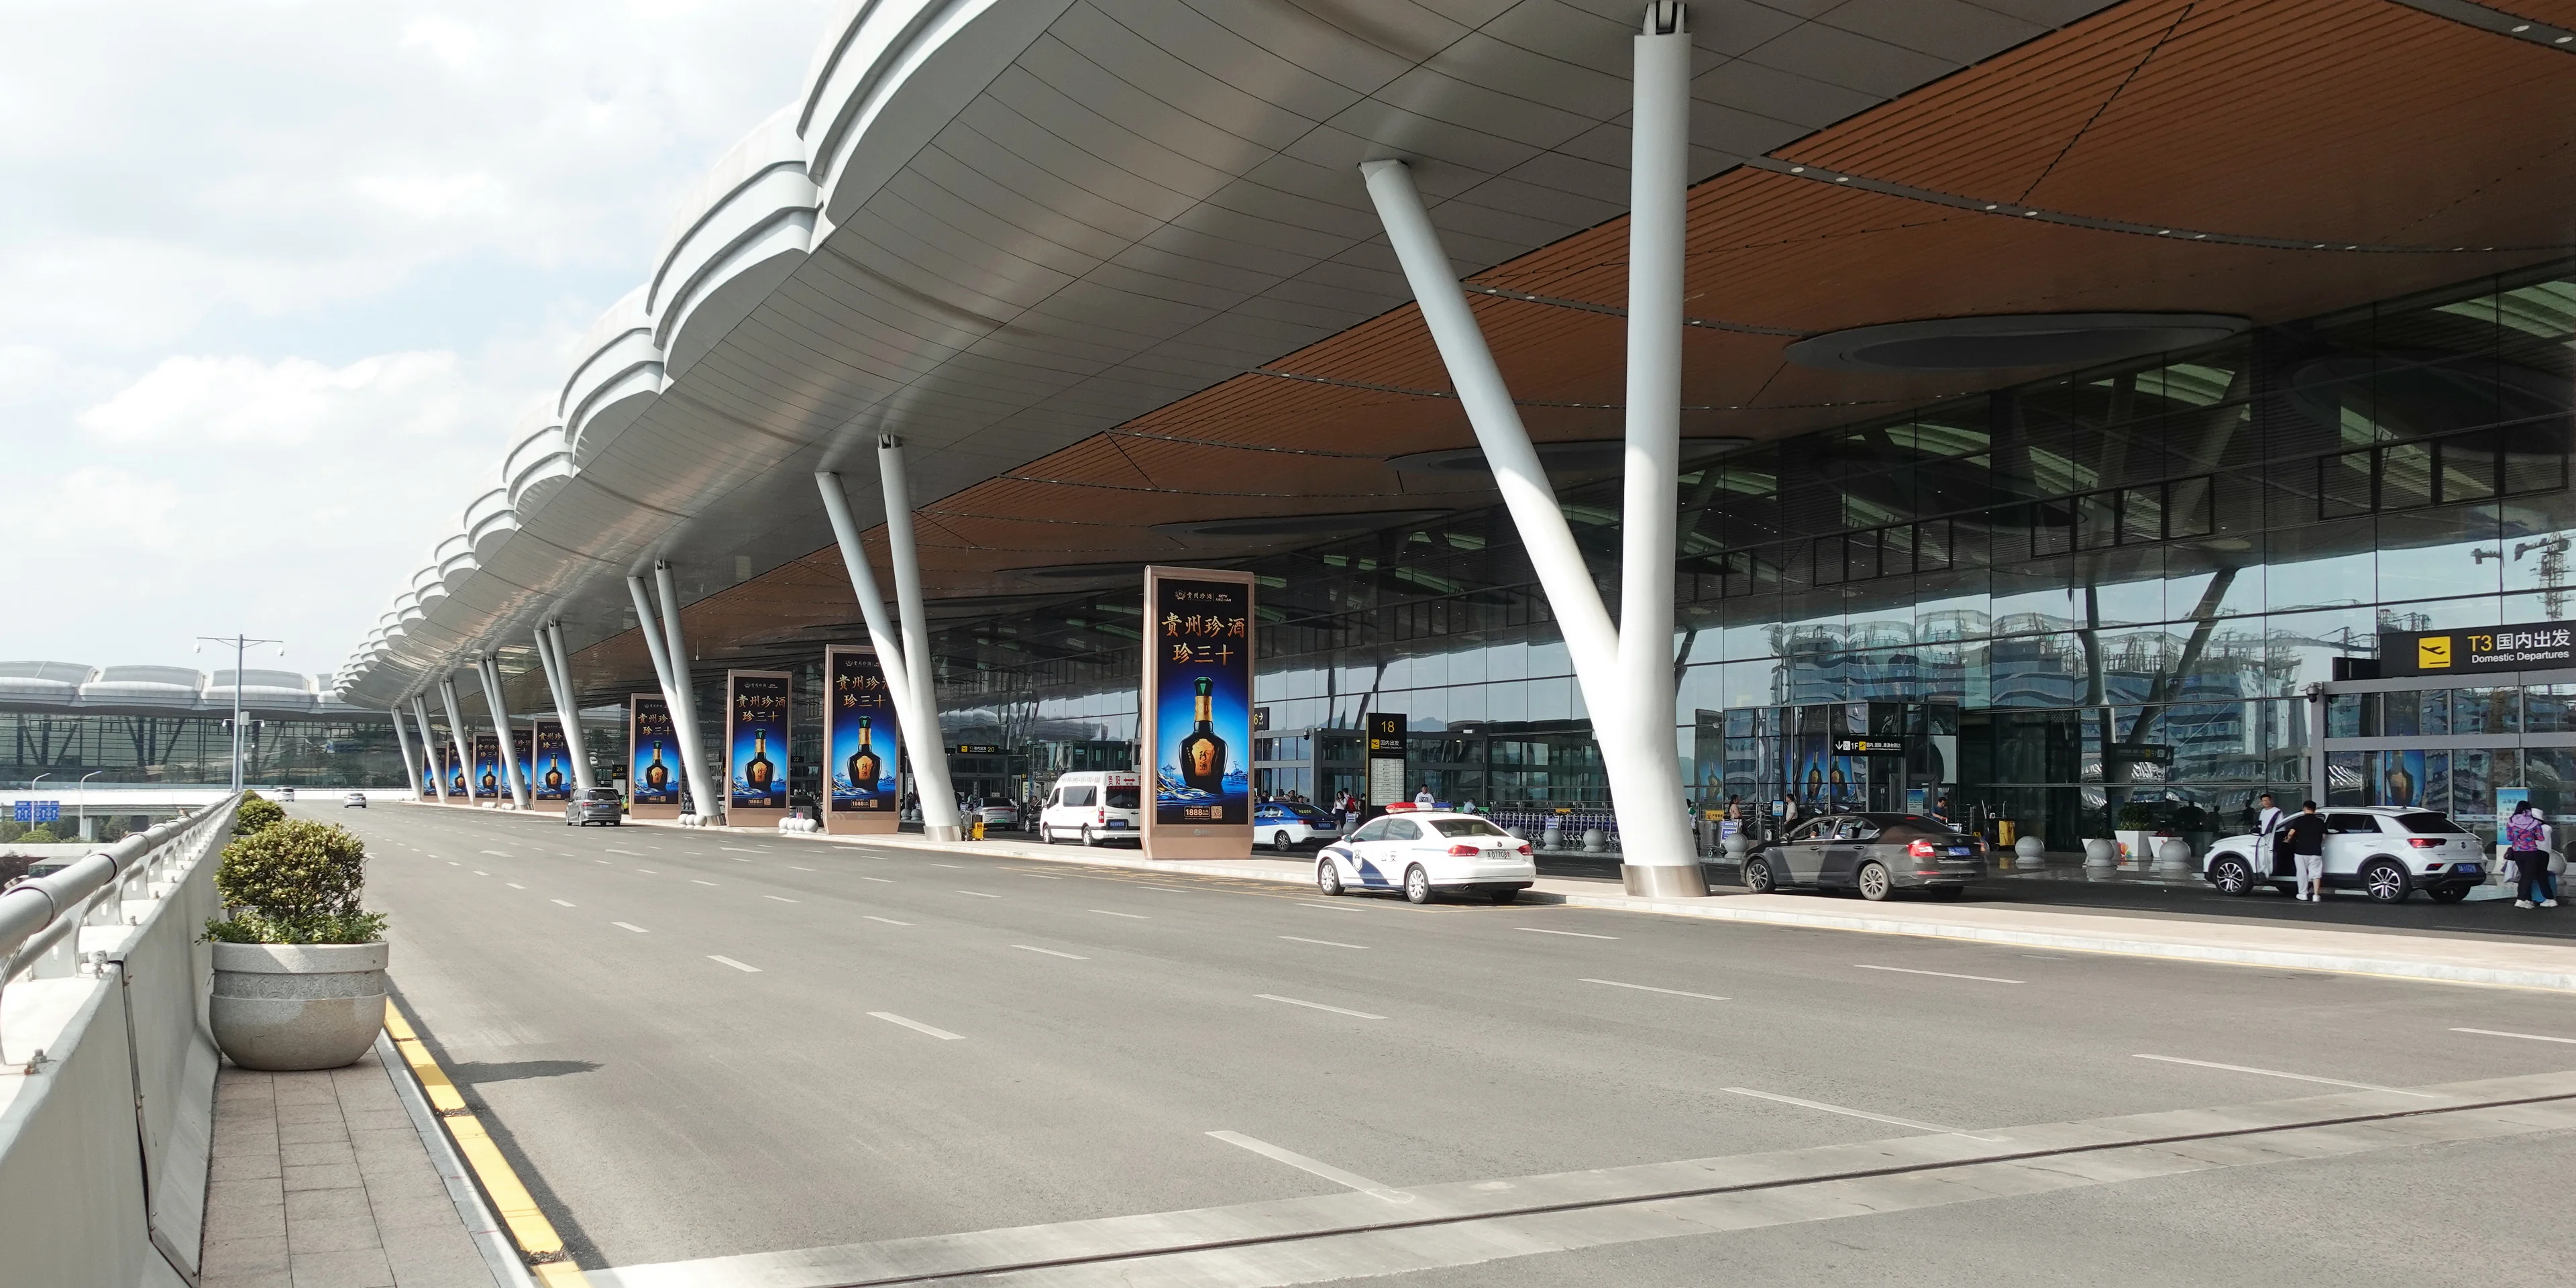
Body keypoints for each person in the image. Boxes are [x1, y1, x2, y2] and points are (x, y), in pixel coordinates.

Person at [2506, 800, 2555, 909]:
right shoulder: (2534, 822)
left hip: (2517, 851)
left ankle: (2524, 899)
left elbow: (2509, 837)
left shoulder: (2511, 821)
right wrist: (2530, 837)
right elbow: (2541, 838)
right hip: (2531, 851)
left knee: (2524, 875)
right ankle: (2521, 899)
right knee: (2528, 876)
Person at [2280, 800, 2328, 902]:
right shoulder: (2320, 822)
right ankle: (2316, 895)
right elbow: (2324, 836)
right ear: (2315, 810)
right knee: (2316, 874)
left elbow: (2291, 833)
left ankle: (2303, 894)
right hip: (2315, 851)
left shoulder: (2299, 820)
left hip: (2301, 851)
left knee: (2302, 873)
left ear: (2304, 808)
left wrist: (2287, 840)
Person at [2253, 792, 2286, 884]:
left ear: (2271, 801)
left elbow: (2281, 825)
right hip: (2264, 837)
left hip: (2275, 836)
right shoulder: (2263, 811)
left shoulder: (2277, 811)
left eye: (2267, 800)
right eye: (2264, 801)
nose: (2266, 802)